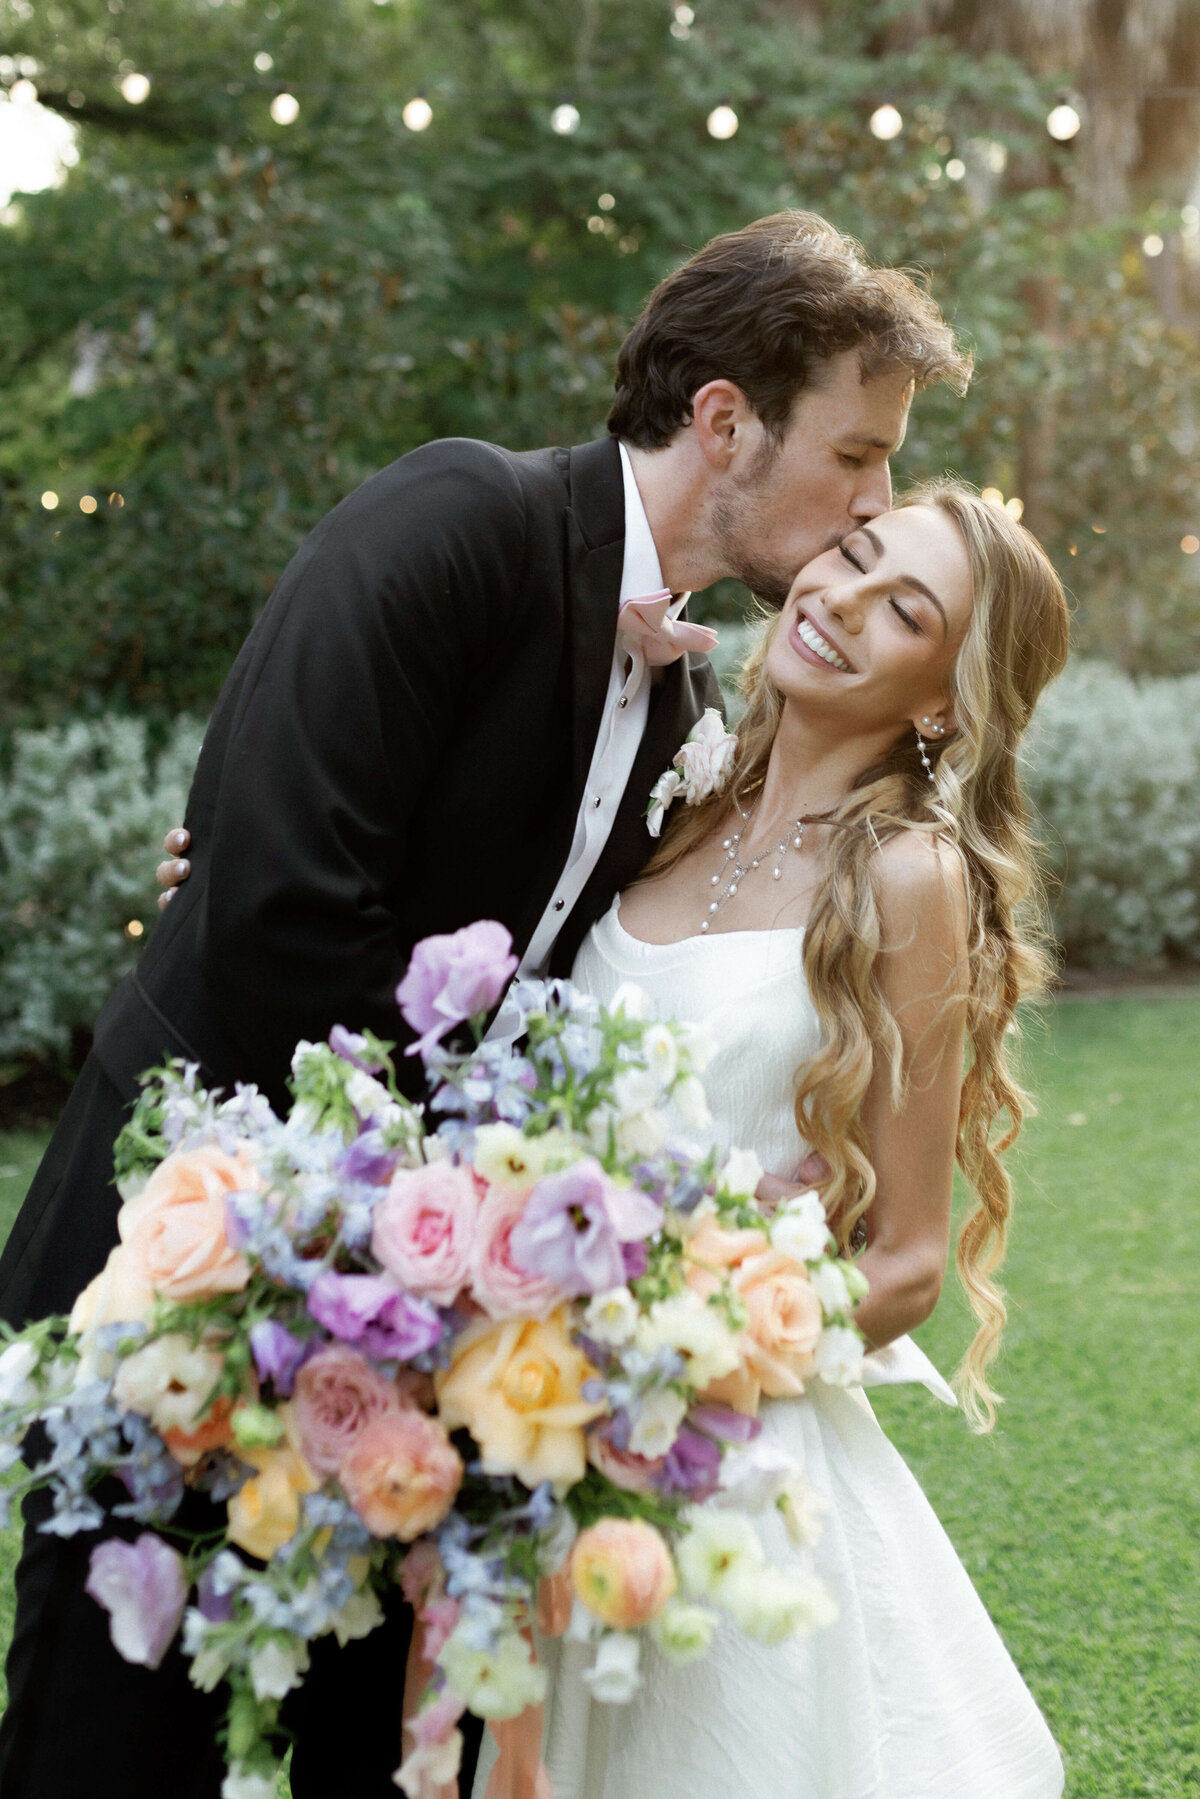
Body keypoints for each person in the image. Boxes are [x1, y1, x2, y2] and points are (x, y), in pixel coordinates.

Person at [0, 213, 969, 1799]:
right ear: (726, 420)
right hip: (186, 1280)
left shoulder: (690, 706)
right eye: (858, 458)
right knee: (115, 1750)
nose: (874, 502)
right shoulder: (459, 514)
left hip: (420, 1355)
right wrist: (498, 1215)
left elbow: (567, 977)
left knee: (369, 1760)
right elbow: (281, 904)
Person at [466, 479, 1069, 1798]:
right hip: (546, 1435)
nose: (842, 598)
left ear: (943, 699)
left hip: (728, 1470)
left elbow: (906, 1263)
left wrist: (677, 1360)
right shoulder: (678, 798)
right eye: (851, 556)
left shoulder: (909, 879)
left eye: (904, 607)